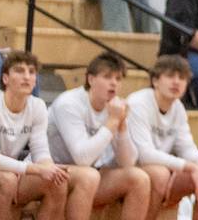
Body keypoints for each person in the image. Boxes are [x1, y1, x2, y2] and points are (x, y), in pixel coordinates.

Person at [0, 50, 98, 220]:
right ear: (5, 79)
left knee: (57, 180)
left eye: (31, 72)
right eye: (20, 71)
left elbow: (40, 150)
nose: (27, 77)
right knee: (8, 180)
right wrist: (36, 169)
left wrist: (49, 167)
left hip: (14, 169)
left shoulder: (37, 106)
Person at [47, 53, 153, 220]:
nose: (114, 83)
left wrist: (122, 125)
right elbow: (82, 158)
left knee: (139, 178)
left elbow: (127, 162)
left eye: (118, 79)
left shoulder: (114, 107)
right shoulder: (69, 103)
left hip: (87, 175)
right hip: (52, 171)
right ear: (91, 79)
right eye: (107, 77)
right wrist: (112, 122)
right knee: (89, 176)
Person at [126, 54, 198, 220]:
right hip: (128, 167)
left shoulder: (178, 108)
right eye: (170, 76)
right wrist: (189, 167)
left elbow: (187, 147)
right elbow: (144, 154)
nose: (176, 82)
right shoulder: (138, 103)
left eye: (182, 78)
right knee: (159, 174)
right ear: (155, 81)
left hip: (160, 167)